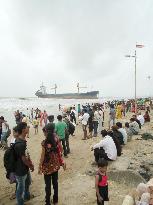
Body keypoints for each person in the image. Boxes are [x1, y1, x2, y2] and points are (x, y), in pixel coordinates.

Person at [38, 124, 66, 205]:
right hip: (55, 165)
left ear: (46, 131)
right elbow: (60, 150)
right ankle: (55, 200)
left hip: (47, 167)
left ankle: (47, 202)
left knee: (48, 185)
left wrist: (39, 166)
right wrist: (61, 161)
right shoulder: (56, 139)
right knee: (55, 183)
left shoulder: (44, 143)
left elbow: (42, 156)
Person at [14, 122, 34, 205]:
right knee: (20, 188)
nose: (28, 128)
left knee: (28, 182)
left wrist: (30, 163)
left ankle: (27, 196)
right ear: (23, 130)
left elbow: (26, 154)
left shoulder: (22, 140)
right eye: (26, 127)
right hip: (20, 169)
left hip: (24, 167)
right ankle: (20, 203)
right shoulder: (20, 143)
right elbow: (24, 159)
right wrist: (30, 166)